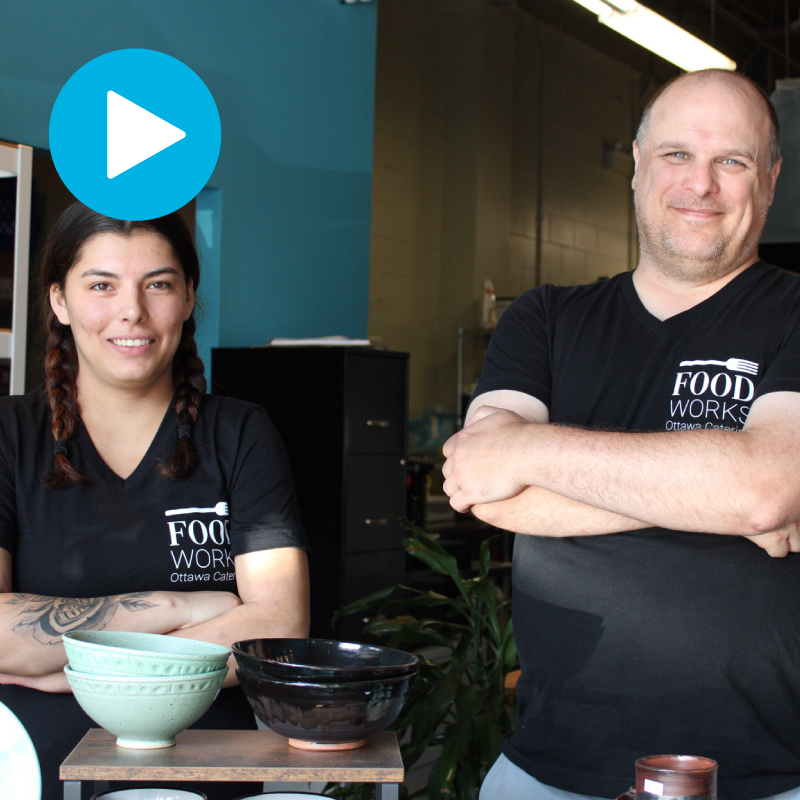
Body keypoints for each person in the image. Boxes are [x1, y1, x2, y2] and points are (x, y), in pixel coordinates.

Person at [443, 69, 800, 800]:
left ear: (769, 179)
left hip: (769, 775)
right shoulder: (544, 318)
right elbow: (481, 485)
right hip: (546, 770)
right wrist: (725, 495)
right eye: (676, 155)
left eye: (730, 162)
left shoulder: (796, 312)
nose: (699, 184)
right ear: (637, 162)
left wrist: (532, 452)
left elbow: (766, 487)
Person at [0, 202, 310, 800]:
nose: (132, 312)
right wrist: (179, 605)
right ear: (60, 300)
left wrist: (75, 672)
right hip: (33, 769)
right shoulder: (9, 435)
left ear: (190, 295)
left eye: (158, 284)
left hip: (206, 773)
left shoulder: (240, 434)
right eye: (101, 285)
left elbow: (277, 628)